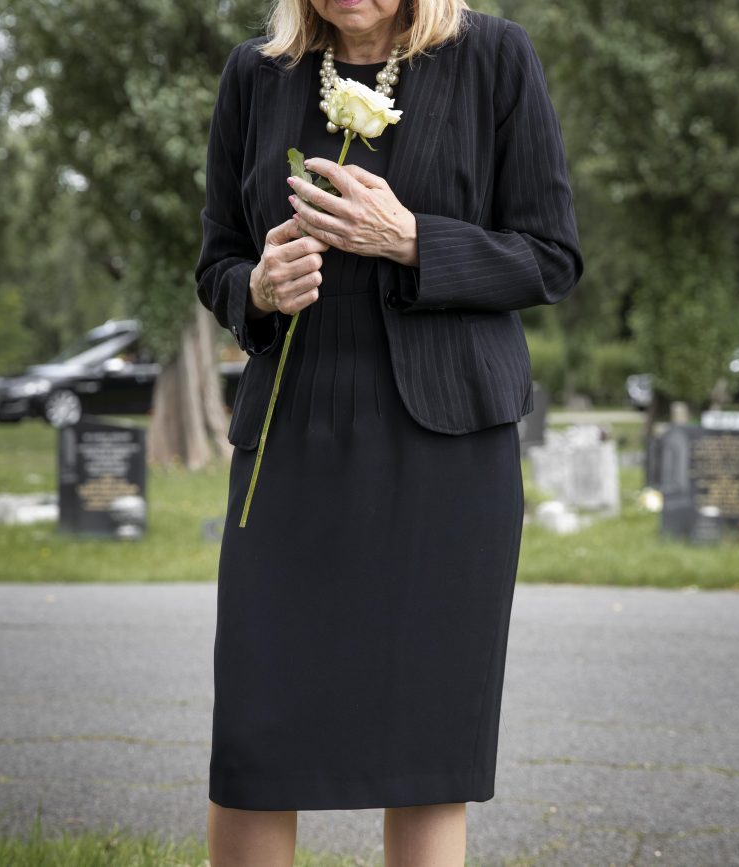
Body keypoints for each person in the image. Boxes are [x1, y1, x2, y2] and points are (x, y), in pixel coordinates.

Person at [194, 0, 582, 863]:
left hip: (446, 451)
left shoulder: (494, 58)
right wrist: (256, 288)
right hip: (291, 440)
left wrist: (413, 241)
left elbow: (551, 257)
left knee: (425, 751)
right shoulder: (256, 74)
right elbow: (217, 258)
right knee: (257, 740)